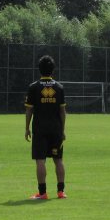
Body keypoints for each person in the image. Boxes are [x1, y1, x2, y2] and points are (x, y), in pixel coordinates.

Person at [24, 55, 67, 200]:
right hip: (56, 129)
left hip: (40, 128)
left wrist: (27, 128)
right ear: (53, 69)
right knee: (58, 159)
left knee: (40, 160)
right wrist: (63, 130)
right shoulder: (59, 87)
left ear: (39, 69)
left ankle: (42, 193)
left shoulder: (33, 87)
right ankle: (61, 192)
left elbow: (29, 109)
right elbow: (62, 111)